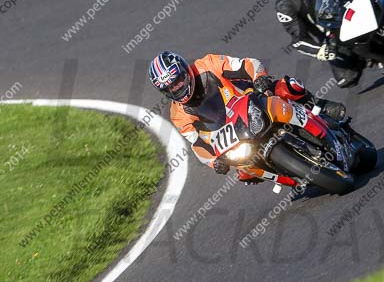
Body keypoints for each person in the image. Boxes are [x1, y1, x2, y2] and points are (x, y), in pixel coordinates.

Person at [148, 51, 346, 184]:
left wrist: (259, 77)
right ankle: (291, 178)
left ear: (185, 70)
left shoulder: (208, 65)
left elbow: (247, 64)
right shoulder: (178, 114)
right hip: (234, 135)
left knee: (288, 87)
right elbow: (197, 144)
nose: (178, 87)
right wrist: (214, 162)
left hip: (253, 100)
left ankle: (321, 107)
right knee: (244, 173)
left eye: (178, 80)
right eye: (170, 87)